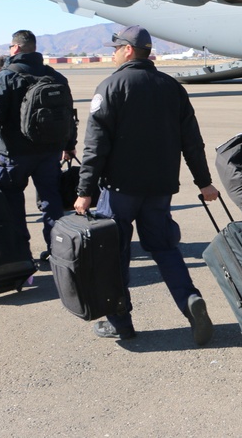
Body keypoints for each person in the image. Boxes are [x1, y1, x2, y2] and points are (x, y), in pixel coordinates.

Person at [73, 25, 218, 345]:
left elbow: (95, 147)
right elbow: (192, 141)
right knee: (166, 249)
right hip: (160, 189)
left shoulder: (111, 86)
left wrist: (85, 191)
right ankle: (189, 300)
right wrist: (204, 182)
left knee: (116, 255)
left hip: (120, 191)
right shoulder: (172, 87)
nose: (112, 54)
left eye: (115, 49)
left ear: (127, 50)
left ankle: (120, 323)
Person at [0, 32, 75, 261]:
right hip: (49, 152)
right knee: (52, 202)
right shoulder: (55, 76)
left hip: (14, 154)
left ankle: (21, 257)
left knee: (12, 206)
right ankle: (57, 253)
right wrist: (70, 145)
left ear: (16, 48)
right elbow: (68, 115)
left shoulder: (6, 77)